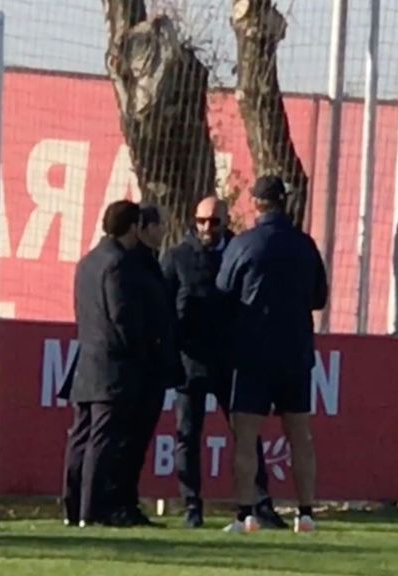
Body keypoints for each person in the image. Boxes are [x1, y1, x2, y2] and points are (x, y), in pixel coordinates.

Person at [161, 196, 288, 529]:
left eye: (214, 222)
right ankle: (191, 506)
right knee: (188, 435)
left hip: (231, 360)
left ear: (226, 221)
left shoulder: (239, 250)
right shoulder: (177, 257)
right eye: (201, 221)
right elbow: (164, 309)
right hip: (190, 361)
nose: (207, 228)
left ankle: (259, 505)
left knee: (245, 433)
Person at [215, 175, 328, 534]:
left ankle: (244, 514)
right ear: (284, 202)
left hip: (253, 353)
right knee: (300, 435)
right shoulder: (305, 246)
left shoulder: (244, 244)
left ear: (255, 203)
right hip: (295, 351)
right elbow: (319, 298)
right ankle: (306, 513)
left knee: (246, 437)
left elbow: (224, 290)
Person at [61, 199, 148, 527]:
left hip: (86, 360)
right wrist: (140, 347)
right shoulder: (118, 264)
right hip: (111, 367)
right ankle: (92, 509)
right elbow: (120, 316)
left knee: (80, 437)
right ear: (133, 228)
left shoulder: (87, 263)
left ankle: (72, 508)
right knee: (101, 439)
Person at [113, 203, 179, 526]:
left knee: (138, 441)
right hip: (138, 366)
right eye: (158, 225)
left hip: (153, 366)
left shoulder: (152, 262)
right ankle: (119, 503)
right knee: (127, 439)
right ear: (142, 229)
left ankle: (128, 501)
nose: (163, 231)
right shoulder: (130, 263)